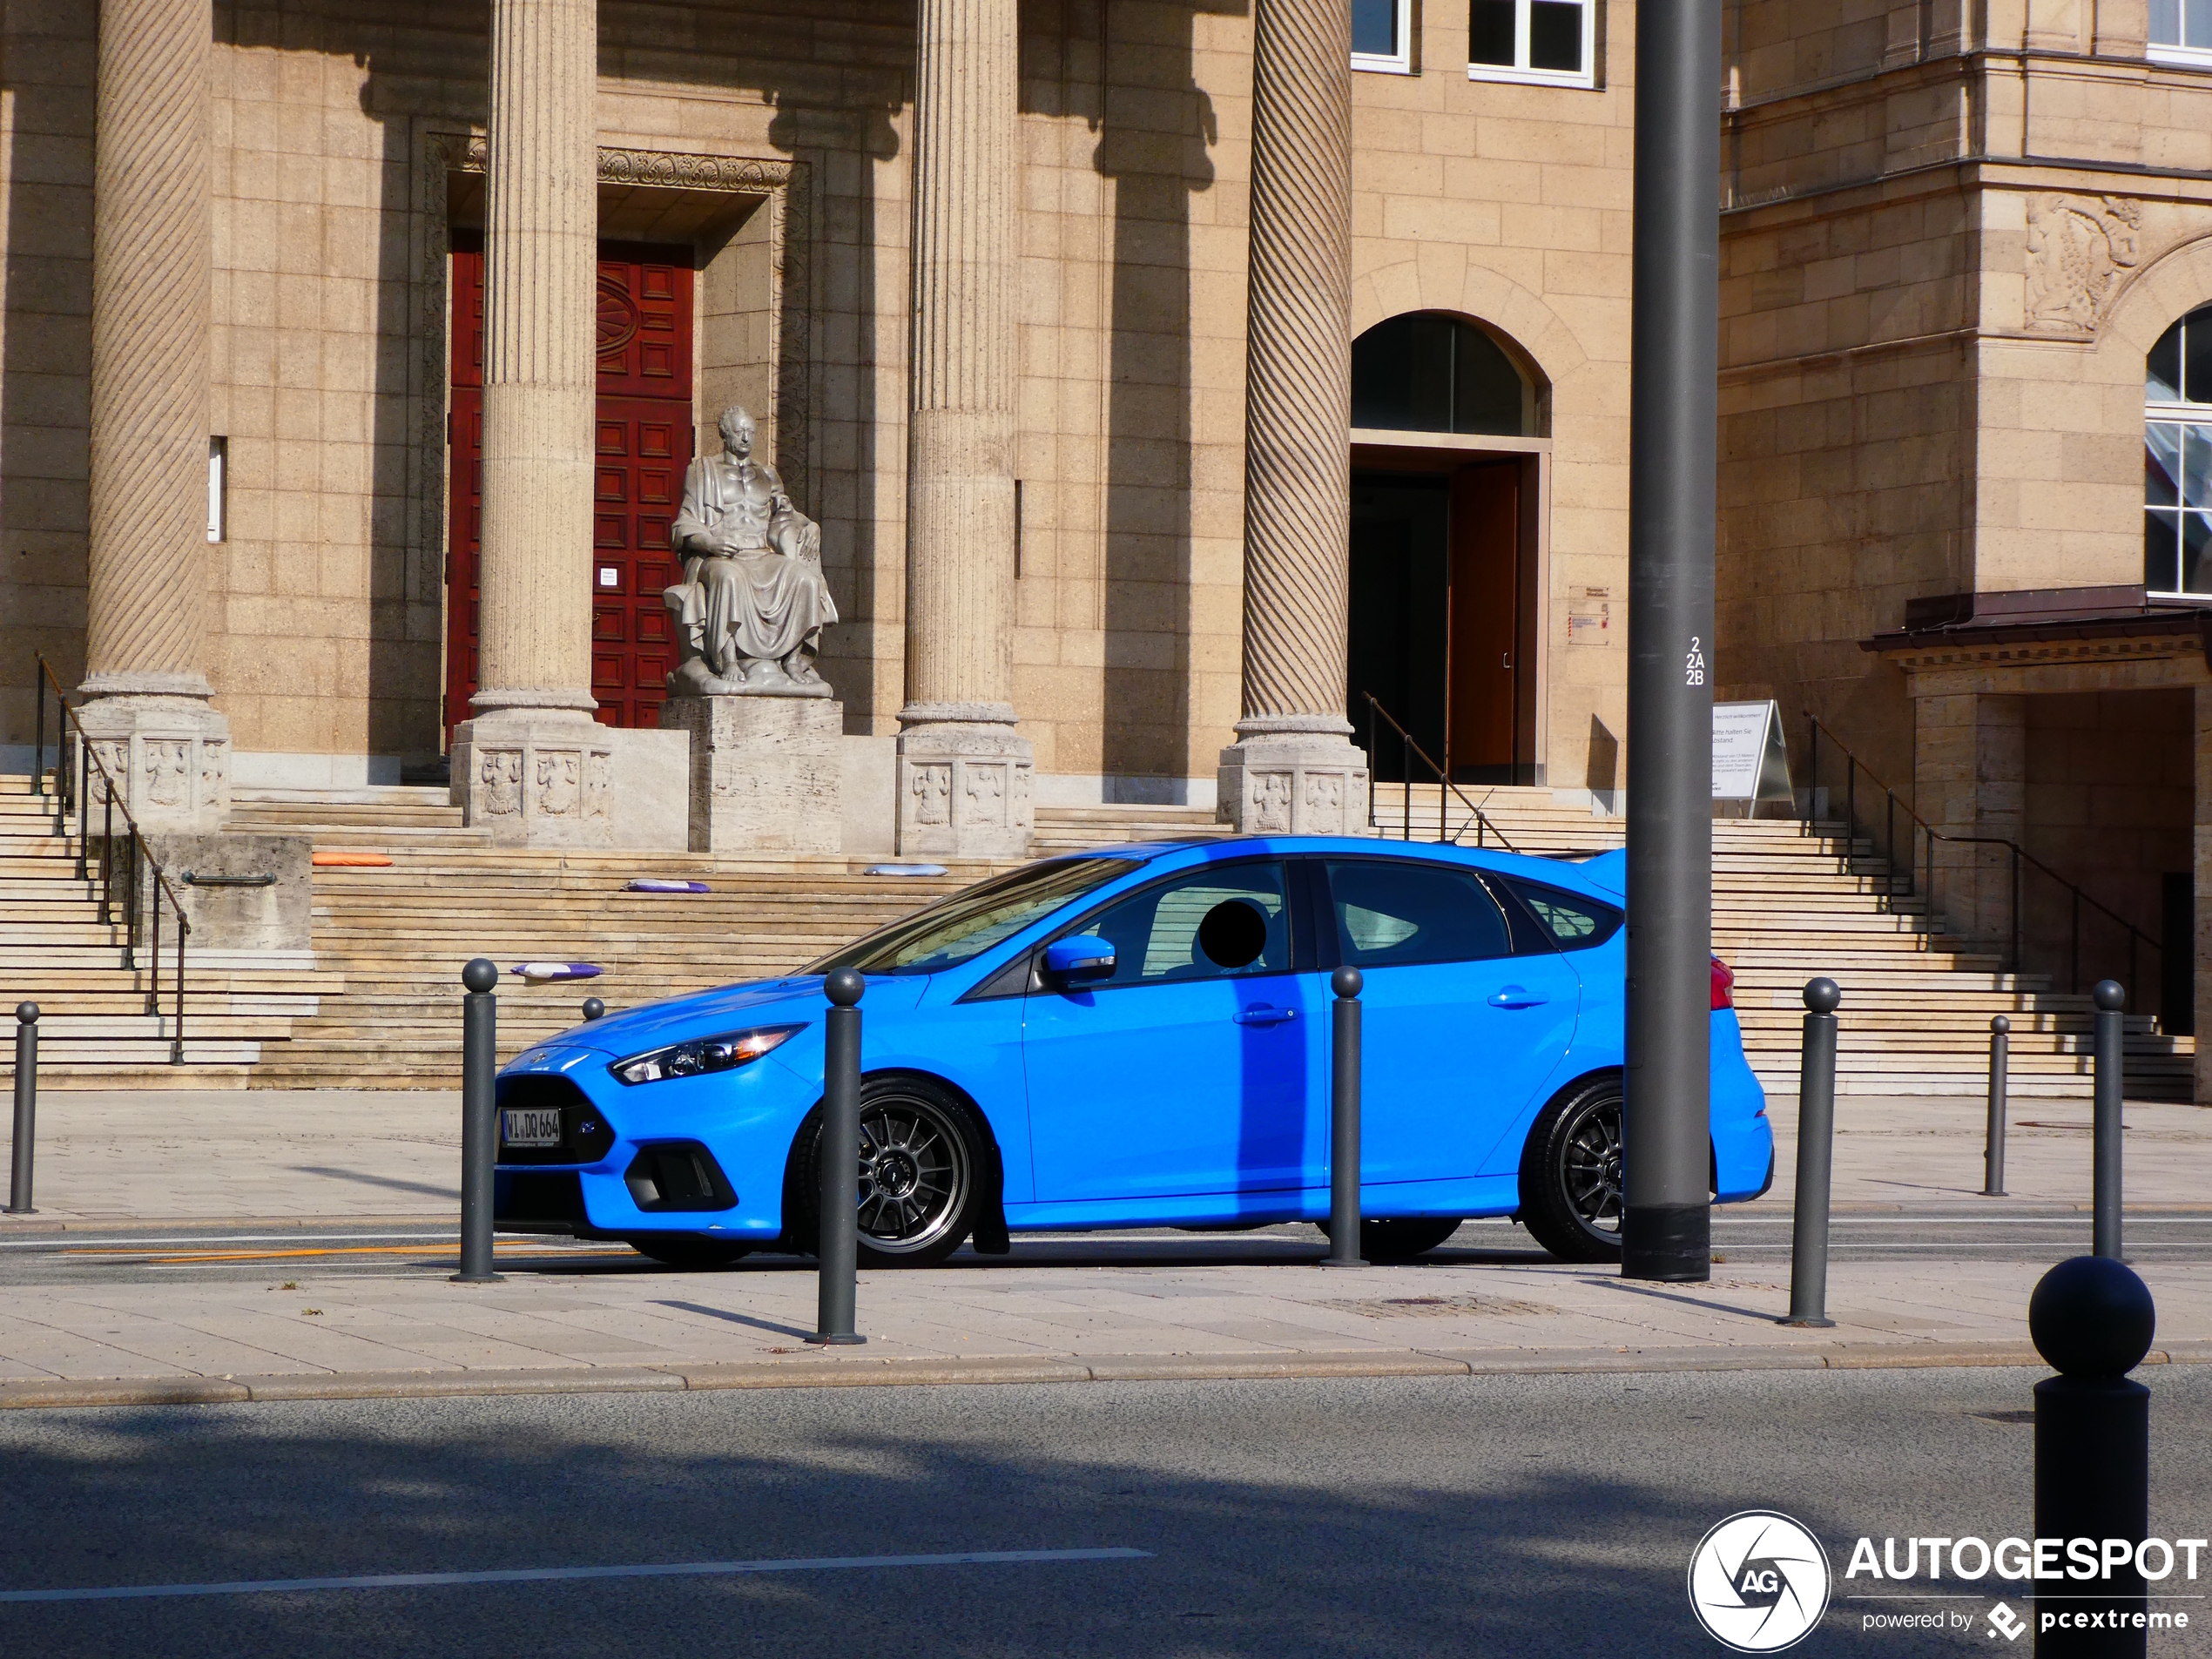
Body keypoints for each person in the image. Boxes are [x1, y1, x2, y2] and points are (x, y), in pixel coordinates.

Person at [663, 405, 837, 695]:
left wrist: (812, 526)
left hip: (761, 554)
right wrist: (710, 542)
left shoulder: (767, 474)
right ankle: (728, 659)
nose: (746, 438)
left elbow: (786, 516)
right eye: (739, 431)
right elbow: (683, 524)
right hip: (721, 556)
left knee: (803, 578)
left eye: (750, 432)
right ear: (724, 433)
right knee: (730, 578)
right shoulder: (702, 471)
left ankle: (794, 661)